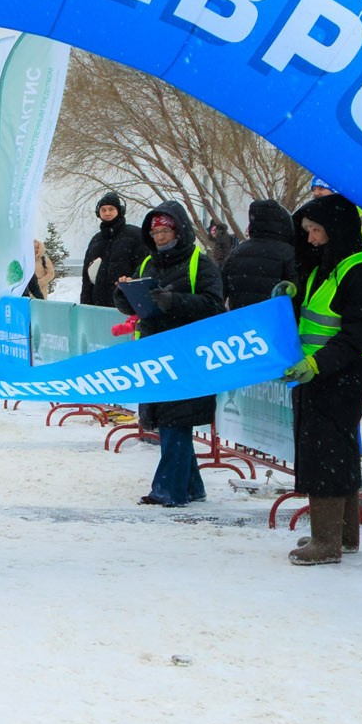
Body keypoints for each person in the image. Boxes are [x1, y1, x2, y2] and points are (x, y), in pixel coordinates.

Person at [284, 192, 362, 567]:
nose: (310, 239)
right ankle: (342, 535)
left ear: (337, 230)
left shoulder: (357, 274)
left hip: (338, 375)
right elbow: (313, 316)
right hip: (321, 374)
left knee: (324, 452)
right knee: (338, 451)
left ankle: (326, 542)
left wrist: (317, 364)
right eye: (308, 231)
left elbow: (356, 335)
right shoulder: (326, 269)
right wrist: (290, 297)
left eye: (316, 230)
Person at [127, 202, 224, 507]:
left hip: (188, 354)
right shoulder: (148, 263)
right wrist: (124, 292)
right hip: (155, 352)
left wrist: (174, 300)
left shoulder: (200, 263)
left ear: (179, 231)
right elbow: (131, 305)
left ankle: (169, 490)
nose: (159, 238)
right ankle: (192, 487)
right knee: (170, 420)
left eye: (165, 232)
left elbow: (214, 305)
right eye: (155, 233)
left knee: (175, 421)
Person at [222, 198, 298, 309]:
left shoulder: (237, 252)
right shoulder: (288, 253)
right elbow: (297, 292)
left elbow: (221, 291)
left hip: (242, 317)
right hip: (275, 316)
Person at [79, 193, 150, 309]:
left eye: (111, 209)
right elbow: (87, 279)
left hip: (127, 304)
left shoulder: (135, 235)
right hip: (98, 305)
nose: (107, 213)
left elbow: (144, 270)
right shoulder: (96, 240)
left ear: (120, 211)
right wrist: (85, 306)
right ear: (98, 213)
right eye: (103, 210)